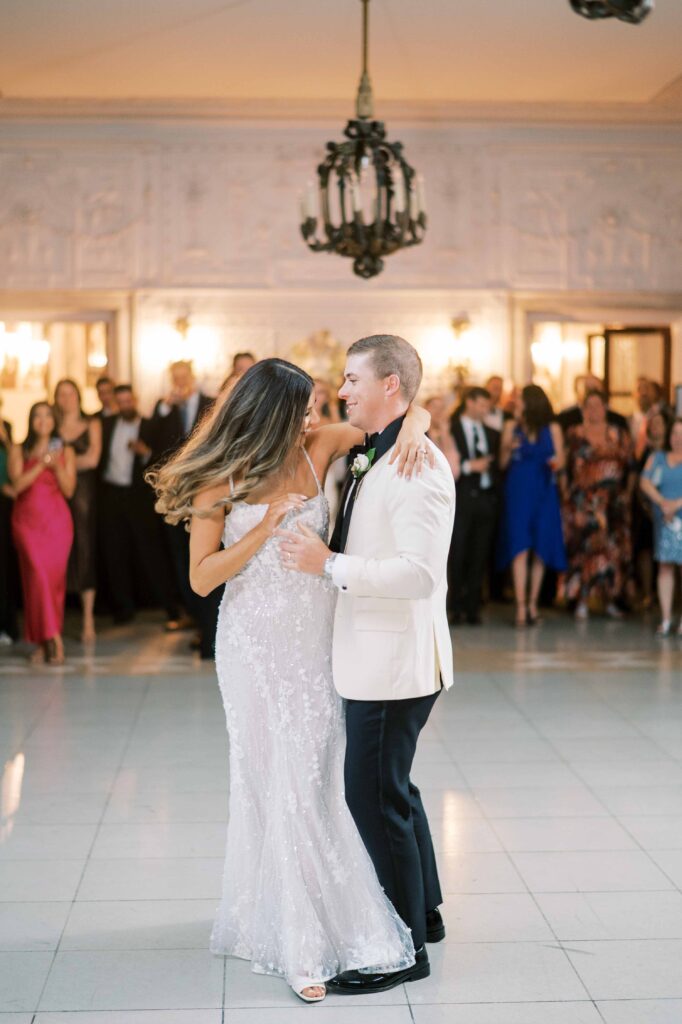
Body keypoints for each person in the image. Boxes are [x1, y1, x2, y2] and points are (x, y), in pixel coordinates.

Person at [151, 355, 433, 1003]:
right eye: (303, 409)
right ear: (270, 413)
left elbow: (398, 416)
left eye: (315, 408)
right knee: (271, 780)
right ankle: (296, 942)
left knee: (313, 778)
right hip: (252, 646)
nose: (314, 417)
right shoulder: (220, 477)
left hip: (315, 645)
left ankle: (319, 919)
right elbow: (202, 578)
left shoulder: (319, 445)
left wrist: (416, 430)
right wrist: (264, 529)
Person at [280, 335, 455, 997]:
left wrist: (327, 565)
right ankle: (425, 912)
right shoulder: (382, 446)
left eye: (353, 379)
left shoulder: (417, 464)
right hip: (378, 654)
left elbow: (418, 574)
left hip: (392, 662)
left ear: (390, 385)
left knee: (372, 796)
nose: (343, 389)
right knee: (394, 788)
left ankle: (402, 949)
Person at [99, 386, 178, 627]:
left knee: (151, 552)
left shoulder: (148, 425)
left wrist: (145, 453)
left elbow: (161, 457)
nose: (125, 405)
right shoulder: (107, 425)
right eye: (120, 402)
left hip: (139, 497)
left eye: (128, 401)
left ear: (135, 400)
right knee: (115, 553)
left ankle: (171, 608)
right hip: (111, 495)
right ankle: (123, 608)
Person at [151, 360, 216, 652]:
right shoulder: (164, 409)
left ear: (192, 376)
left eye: (183, 377)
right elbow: (151, 443)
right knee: (181, 560)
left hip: (208, 492)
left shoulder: (211, 404)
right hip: (177, 495)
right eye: (175, 378)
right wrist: (166, 407)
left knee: (208, 555)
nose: (180, 383)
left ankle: (209, 627)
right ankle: (197, 620)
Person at [9, 402, 76, 665]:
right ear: (31, 421)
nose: (43, 420)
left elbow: (69, 490)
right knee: (36, 578)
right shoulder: (20, 449)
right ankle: (53, 639)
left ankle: (41, 641)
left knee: (52, 583)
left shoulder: (66, 450)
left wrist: (56, 466)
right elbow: (17, 485)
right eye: (37, 415)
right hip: (27, 523)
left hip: (57, 523)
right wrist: (40, 464)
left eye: (48, 415)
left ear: (54, 420)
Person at [496, 384, 567, 627]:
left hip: (544, 490)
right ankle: (520, 606)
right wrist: (508, 446)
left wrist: (554, 462)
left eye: (520, 398)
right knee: (519, 545)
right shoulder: (511, 426)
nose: (516, 402)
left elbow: (561, 460)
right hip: (518, 490)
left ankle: (533, 603)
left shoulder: (553, 428)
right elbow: (502, 463)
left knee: (541, 546)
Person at [563, 390, 635, 620]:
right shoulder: (574, 434)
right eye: (589, 406)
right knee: (584, 550)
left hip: (613, 503)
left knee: (612, 551)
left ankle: (611, 599)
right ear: (583, 409)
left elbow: (631, 466)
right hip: (583, 502)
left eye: (598, 405)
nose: (593, 410)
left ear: (605, 407)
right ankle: (581, 600)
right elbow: (564, 466)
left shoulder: (619, 434)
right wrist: (565, 494)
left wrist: (628, 493)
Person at [54, 378, 101, 643]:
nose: (66, 398)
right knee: (59, 551)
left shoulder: (91, 423)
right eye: (61, 394)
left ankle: (88, 620)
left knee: (85, 549)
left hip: (84, 495)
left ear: (78, 395)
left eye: (70, 393)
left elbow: (93, 458)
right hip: (57, 493)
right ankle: (55, 619)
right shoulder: (52, 426)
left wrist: (63, 464)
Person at [448, 385, 500, 624]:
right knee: (458, 552)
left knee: (480, 554)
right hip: (461, 497)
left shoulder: (492, 433)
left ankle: (473, 607)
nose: (485, 409)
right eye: (482, 404)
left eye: (488, 406)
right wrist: (470, 466)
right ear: (469, 402)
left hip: (486, 499)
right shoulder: (451, 428)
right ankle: (455, 606)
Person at [640, 418, 682, 635]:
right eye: (675, 433)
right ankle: (666, 618)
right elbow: (644, 482)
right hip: (664, 521)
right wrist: (663, 502)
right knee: (665, 566)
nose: (678, 438)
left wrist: (676, 504)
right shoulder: (657, 458)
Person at [632, 409, 670, 610]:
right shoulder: (645, 452)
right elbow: (640, 481)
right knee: (645, 548)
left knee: (671, 555)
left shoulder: (672, 452)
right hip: (648, 509)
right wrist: (647, 506)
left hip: (670, 509)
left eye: (659, 423)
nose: (655, 427)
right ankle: (648, 593)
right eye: (652, 424)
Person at [0, 412, 19, 645]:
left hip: (4, 507)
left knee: (4, 567)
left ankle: (6, 625)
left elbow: (15, 464)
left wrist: (5, 438)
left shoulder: (6, 427)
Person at [425, 395, 460, 479]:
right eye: (434, 407)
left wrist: (445, 434)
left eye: (442, 408)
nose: (438, 411)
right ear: (425, 409)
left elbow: (454, 472)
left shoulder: (450, 435)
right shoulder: (421, 435)